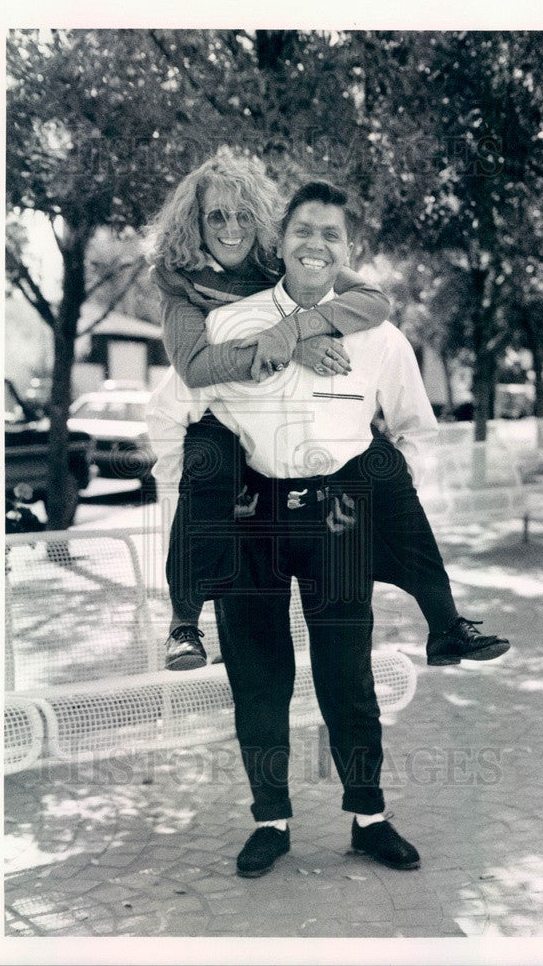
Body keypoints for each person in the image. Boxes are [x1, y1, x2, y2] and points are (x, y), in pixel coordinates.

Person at [147, 181, 510, 877]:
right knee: (259, 680)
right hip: (251, 518)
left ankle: (368, 817)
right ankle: (270, 822)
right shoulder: (231, 327)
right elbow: (171, 414)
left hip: (336, 516)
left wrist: (377, 491)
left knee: (346, 677)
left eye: (331, 235)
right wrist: (195, 493)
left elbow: (413, 430)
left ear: (350, 251)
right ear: (278, 242)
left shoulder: (380, 337)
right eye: (302, 231)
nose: (315, 244)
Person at [148, 149, 395, 670]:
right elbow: (194, 366)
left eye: (242, 215)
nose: (231, 228)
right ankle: (184, 625)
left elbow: (374, 301)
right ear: (196, 221)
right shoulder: (180, 278)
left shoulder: (276, 260)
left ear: (259, 218)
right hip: (220, 412)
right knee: (204, 471)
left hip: (287, 424)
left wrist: (297, 329)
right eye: (217, 216)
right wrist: (290, 348)